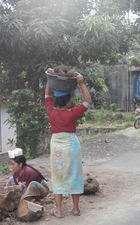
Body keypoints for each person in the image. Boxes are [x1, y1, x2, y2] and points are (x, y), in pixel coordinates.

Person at [45, 72, 92, 218]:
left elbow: (47, 96)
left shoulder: (51, 111)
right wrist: (81, 83)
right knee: (74, 175)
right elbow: (87, 102)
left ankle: (58, 211)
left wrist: (50, 79)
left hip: (57, 147)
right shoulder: (72, 113)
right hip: (72, 147)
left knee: (58, 176)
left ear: (57, 101)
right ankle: (76, 209)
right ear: (69, 101)